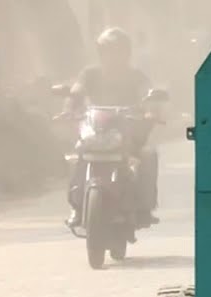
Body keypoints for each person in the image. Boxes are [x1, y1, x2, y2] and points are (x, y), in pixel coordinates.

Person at [64, 28, 159, 229]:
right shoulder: (90, 73)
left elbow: (148, 93)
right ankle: (77, 206)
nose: (113, 56)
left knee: (148, 155)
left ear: (127, 53)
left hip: (127, 132)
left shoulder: (136, 76)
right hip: (95, 130)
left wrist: (151, 110)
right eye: (108, 51)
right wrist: (71, 105)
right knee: (76, 157)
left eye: (118, 51)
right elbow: (77, 90)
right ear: (100, 53)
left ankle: (144, 208)